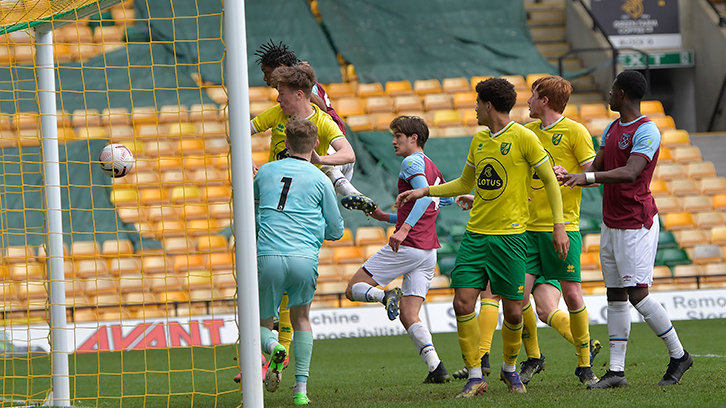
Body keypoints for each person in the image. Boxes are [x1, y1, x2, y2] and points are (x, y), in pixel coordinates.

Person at [396, 78, 568, 397]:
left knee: (515, 311)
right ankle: (476, 376)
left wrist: (559, 225)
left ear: (488, 105)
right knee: (462, 302)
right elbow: (465, 183)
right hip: (476, 236)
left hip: (511, 239)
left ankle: (509, 369)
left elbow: (550, 181)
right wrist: (425, 190)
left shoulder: (524, 138)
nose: (474, 109)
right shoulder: (479, 140)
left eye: (477, 103)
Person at [450, 76, 602, 386]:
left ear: (544, 100)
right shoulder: (524, 133)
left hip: (561, 227)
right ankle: (526, 357)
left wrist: (572, 176)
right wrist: (477, 194)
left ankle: (584, 365)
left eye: (532, 96)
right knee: (515, 301)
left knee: (571, 294)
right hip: (524, 230)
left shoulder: (576, 132)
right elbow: (508, 180)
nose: (527, 102)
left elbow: (594, 176)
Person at [560, 70, 692, 388]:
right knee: (616, 295)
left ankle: (679, 356)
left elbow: (631, 172)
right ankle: (616, 372)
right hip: (612, 221)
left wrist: (587, 178)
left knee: (638, 295)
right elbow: (599, 167)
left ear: (621, 94)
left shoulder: (647, 131)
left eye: (611, 90)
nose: (608, 94)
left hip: (636, 222)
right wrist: (572, 173)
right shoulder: (611, 128)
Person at [344, 115, 454, 384]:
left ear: (413, 138)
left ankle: (384, 297)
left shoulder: (411, 161)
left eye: (398, 137)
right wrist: (388, 218)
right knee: (409, 313)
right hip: (428, 252)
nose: (393, 142)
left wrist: (403, 229)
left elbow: (423, 197)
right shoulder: (433, 168)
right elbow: (441, 201)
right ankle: (436, 367)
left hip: (408, 245)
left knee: (352, 289)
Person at [254, 117, 345, 405]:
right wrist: (318, 230)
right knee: (301, 319)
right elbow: (337, 230)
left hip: (267, 255)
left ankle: (273, 347)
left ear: (286, 144)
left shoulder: (266, 171)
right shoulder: (321, 179)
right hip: (304, 258)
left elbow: (254, 210)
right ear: (316, 144)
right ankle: (301, 391)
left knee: (260, 323)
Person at [254, 40, 369, 212]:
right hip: (322, 141)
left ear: (281, 67)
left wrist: (305, 80)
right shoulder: (284, 103)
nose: (264, 78)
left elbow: (320, 106)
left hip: (328, 140)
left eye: (266, 72)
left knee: (322, 167)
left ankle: (353, 194)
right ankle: (352, 195)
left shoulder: (305, 91)